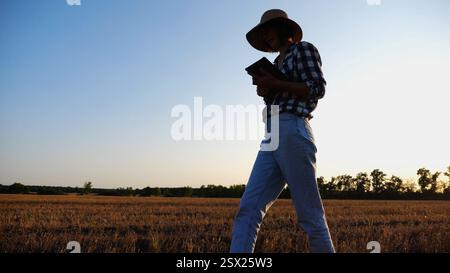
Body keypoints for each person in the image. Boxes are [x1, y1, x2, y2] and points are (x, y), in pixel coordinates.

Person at [230, 9, 335, 253]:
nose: (266, 36)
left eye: (267, 30)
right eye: (262, 33)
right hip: (272, 134)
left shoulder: (303, 49)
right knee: (248, 208)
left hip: (292, 127)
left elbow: (317, 87)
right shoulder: (276, 62)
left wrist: (277, 84)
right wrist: (267, 90)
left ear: (283, 29)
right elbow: (283, 92)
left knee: (309, 214)